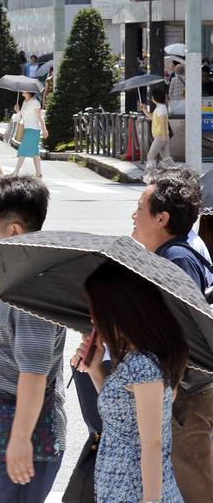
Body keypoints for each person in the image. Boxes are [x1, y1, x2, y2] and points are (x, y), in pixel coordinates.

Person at [0, 175, 66, 502]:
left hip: (14, 440)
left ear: (15, 231)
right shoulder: (15, 275)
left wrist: (20, 442)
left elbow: (33, 375)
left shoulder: (31, 290)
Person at [71, 261, 187, 502]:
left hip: (135, 494)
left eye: (96, 310)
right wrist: (94, 370)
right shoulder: (134, 360)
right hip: (119, 491)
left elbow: (152, 444)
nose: (92, 319)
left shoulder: (144, 367)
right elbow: (123, 421)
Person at [130, 166, 213, 502]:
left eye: (139, 208)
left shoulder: (175, 259)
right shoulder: (170, 255)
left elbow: (185, 329)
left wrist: (171, 385)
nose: (133, 215)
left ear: (161, 218)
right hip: (185, 389)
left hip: (189, 394)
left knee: (194, 477)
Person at [12, 91, 48, 178]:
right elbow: (23, 116)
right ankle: (39, 174)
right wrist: (18, 111)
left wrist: (44, 129)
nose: (22, 91)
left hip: (33, 129)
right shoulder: (25, 102)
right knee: (35, 152)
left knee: (23, 150)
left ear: (29, 92)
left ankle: (16, 171)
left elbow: (40, 117)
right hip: (27, 128)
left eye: (25, 90)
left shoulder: (35, 102)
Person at [140, 88, 171, 170]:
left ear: (155, 98)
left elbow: (163, 122)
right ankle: (179, 174)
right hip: (162, 136)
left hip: (160, 136)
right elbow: (152, 117)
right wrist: (144, 110)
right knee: (167, 159)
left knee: (150, 156)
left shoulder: (160, 108)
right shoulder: (160, 108)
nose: (151, 98)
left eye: (152, 97)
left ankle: (149, 175)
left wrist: (164, 136)